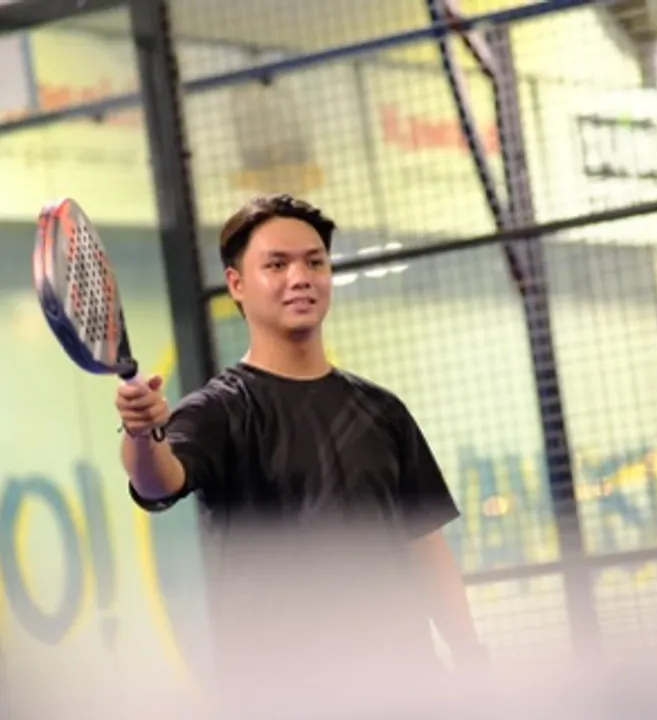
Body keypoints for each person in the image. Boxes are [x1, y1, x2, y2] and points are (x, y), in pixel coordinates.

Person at [116, 194, 485, 716]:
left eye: (315, 262)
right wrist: (140, 433)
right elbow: (157, 482)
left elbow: (425, 545)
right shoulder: (220, 410)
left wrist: (470, 655)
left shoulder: (383, 411)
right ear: (237, 284)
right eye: (277, 265)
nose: (301, 277)